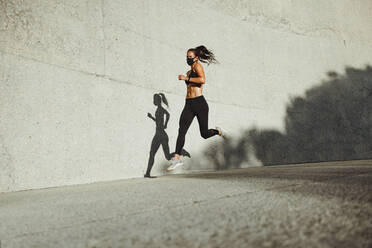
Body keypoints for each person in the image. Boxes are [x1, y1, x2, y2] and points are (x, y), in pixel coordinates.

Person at [166, 45, 227, 172]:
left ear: (196, 58)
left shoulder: (198, 66)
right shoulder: (189, 71)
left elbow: (202, 80)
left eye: (190, 57)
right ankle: (177, 159)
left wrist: (186, 78)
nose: (188, 59)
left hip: (200, 103)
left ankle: (218, 132)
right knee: (181, 130)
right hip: (188, 103)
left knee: (204, 134)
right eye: (187, 57)